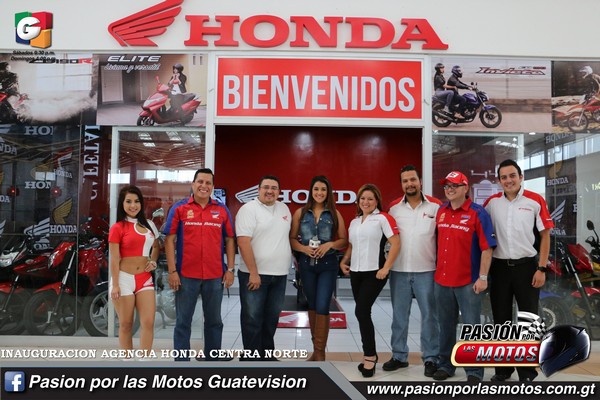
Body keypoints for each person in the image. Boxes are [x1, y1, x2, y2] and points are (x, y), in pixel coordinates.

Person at [483, 159, 554, 382]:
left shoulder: (535, 200)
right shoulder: (491, 203)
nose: (508, 180)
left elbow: (545, 236)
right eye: (504, 177)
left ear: (521, 177)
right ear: (499, 181)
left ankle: (527, 372)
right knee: (501, 320)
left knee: (529, 321)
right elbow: (481, 234)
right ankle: (503, 370)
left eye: (512, 175)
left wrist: (541, 268)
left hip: (527, 268)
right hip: (499, 269)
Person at [163, 168, 236, 361]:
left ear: (212, 186)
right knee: (183, 322)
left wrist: (230, 269)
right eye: (200, 182)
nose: (204, 186)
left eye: (208, 183)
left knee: (214, 321)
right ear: (193, 184)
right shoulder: (179, 209)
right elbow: (169, 240)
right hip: (186, 275)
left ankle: (212, 358)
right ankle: (182, 362)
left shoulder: (222, 210)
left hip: (215, 275)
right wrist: (172, 271)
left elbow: (230, 240)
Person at [433, 171, 496, 382]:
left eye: (454, 186)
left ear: (465, 188)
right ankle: (446, 365)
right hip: (442, 280)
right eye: (447, 186)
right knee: (445, 326)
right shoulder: (441, 211)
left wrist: (483, 277)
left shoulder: (478, 213)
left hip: (468, 282)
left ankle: (474, 371)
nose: (449, 190)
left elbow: (487, 248)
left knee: (471, 327)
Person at [385, 165, 441, 377]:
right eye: (405, 181)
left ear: (420, 181)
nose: (409, 184)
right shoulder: (393, 209)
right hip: (399, 271)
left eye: (412, 179)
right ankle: (399, 356)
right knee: (399, 316)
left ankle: (431, 357)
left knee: (429, 317)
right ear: (401, 184)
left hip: (427, 270)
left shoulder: (436, 206)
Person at [340, 184, 400, 377]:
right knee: (362, 313)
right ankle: (369, 354)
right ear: (358, 201)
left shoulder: (383, 218)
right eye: (362, 198)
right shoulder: (354, 222)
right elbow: (352, 245)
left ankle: (370, 356)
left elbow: (396, 243)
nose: (366, 202)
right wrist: (344, 261)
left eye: (370, 199)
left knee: (361, 311)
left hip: (375, 273)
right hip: (356, 273)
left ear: (376, 201)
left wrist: (386, 267)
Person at [290, 175, 348, 361]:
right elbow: (292, 239)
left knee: (323, 305)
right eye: (316, 189)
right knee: (313, 305)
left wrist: (329, 244)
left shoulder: (334, 214)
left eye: (323, 189)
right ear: (311, 191)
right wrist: (304, 249)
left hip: (327, 266)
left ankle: (320, 354)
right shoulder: (300, 213)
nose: (319, 193)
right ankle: (316, 350)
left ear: (328, 192)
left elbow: (343, 240)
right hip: (307, 266)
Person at [236, 175, 292, 360]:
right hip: (254, 275)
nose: (270, 191)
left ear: (279, 191)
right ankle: (251, 359)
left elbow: (284, 238)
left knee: (271, 318)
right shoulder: (248, 209)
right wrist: (254, 273)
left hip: (280, 274)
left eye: (274, 188)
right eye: (266, 187)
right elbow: (243, 242)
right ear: (259, 190)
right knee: (252, 318)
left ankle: (267, 356)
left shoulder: (284, 208)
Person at [109, 185, 159, 358]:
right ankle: (128, 362)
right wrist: (116, 285)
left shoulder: (149, 225)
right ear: (122, 204)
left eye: (136, 201)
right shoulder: (117, 228)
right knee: (126, 324)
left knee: (148, 322)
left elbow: (156, 247)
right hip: (123, 280)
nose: (133, 205)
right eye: (128, 201)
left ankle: (144, 362)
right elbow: (114, 259)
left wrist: (153, 261)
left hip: (144, 279)